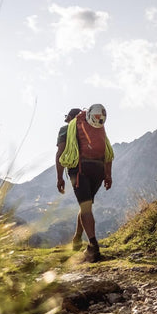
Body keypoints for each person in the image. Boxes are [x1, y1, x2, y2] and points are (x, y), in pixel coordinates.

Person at [55, 105, 114, 262]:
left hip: (80, 170)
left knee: (85, 208)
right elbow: (108, 153)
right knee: (85, 206)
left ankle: (93, 247)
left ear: (69, 118)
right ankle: (77, 239)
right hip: (98, 171)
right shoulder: (97, 129)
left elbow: (60, 154)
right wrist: (108, 175)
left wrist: (60, 178)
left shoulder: (66, 129)